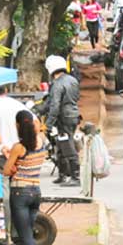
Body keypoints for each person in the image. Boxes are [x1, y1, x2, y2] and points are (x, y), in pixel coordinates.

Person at [4, 110, 48, 245]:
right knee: (30, 234)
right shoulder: (41, 141)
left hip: (20, 193)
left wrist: (12, 163)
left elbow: (7, 170)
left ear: (17, 126)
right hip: (35, 191)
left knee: (26, 237)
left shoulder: (18, 147)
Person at [35, 55, 81, 187]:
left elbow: (54, 105)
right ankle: (63, 174)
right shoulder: (72, 80)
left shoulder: (57, 84)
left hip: (63, 118)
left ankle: (75, 177)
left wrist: (47, 125)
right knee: (61, 145)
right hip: (73, 116)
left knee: (67, 146)